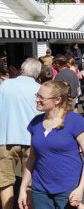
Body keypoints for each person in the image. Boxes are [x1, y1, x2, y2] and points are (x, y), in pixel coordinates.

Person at [18, 80, 84, 209]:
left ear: (57, 100)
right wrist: (23, 189)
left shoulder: (76, 121)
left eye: (41, 97)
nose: (37, 99)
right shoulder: (35, 123)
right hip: (40, 189)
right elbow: (32, 157)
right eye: (37, 95)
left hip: (68, 189)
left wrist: (80, 188)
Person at [0, 58, 41, 209]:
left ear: (22, 70)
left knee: (5, 181)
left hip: (6, 137)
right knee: (29, 180)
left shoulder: (5, 85)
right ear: (37, 74)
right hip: (32, 139)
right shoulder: (40, 88)